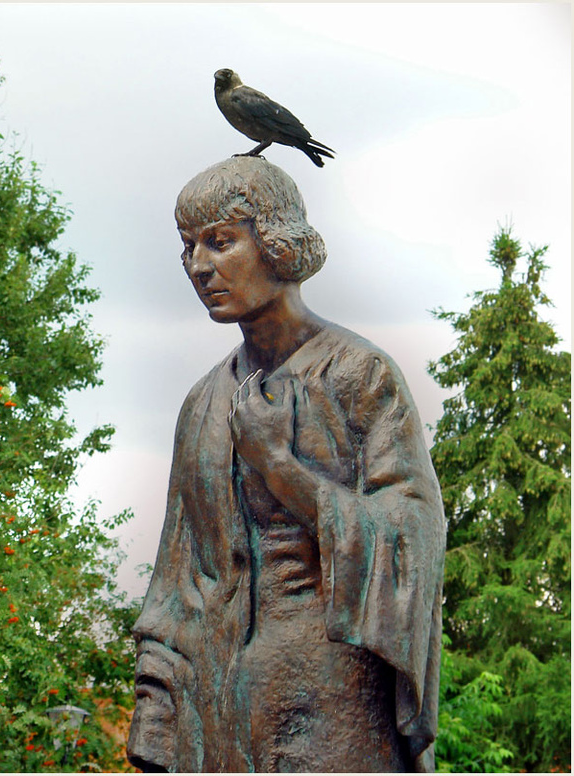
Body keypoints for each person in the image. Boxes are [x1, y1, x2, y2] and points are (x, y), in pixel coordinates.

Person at [126, 156, 445, 772]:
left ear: (275, 240)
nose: (200, 266)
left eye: (221, 242)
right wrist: (157, 711)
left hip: (333, 704)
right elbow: (176, 575)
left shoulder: (358, 375)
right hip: (217, 707)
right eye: (188, 247)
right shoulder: (203, 402)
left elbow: (415, 540)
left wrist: (282, 469)